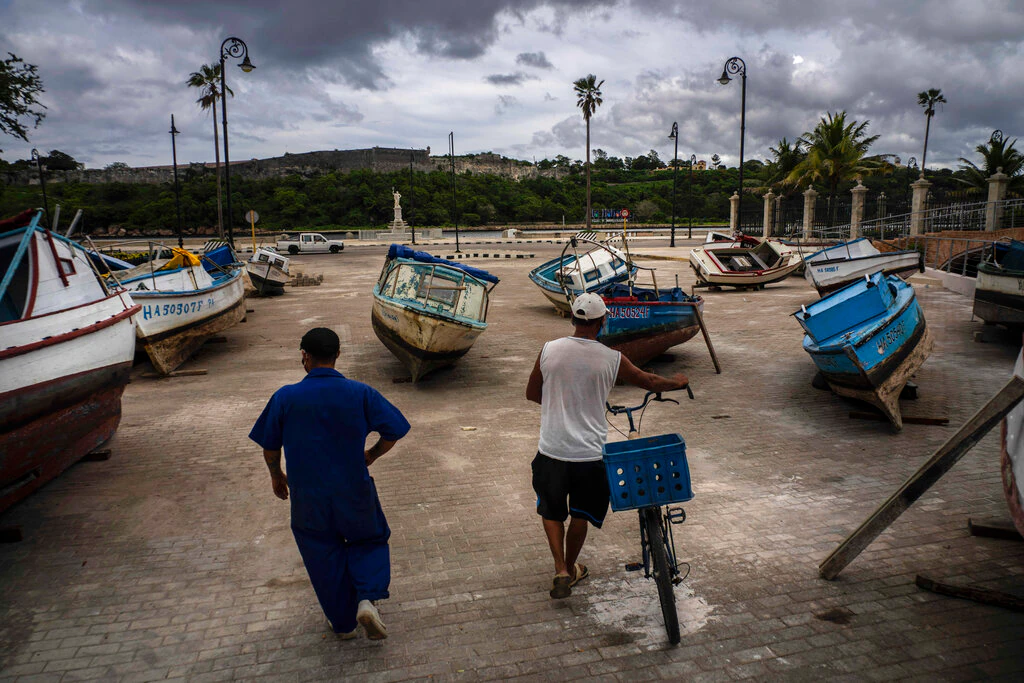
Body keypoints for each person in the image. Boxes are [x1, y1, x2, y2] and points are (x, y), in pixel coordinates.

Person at [249, 327, 411, 639]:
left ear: (304, 357)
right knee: (369, 539)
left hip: (308, 496)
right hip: (354, 489)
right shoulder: (360, 393)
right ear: (338, 356)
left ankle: (343, 623)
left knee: (321, 552)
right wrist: (372, 455)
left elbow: (270, 445)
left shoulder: (285, 397)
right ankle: (366, 597)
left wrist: (276, 475)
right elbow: (395, 429)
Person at [526, 293, 689, 599]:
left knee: (550, 510)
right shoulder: (611, 358)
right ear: (602, 322)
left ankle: (561, 569)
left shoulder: (549, 350)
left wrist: (559, 407)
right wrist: (677, 382)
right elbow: (649, 381)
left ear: (573, 319)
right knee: (581, 514)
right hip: (589, 454)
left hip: (552, 449)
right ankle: (573, 566)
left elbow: (533, 393)